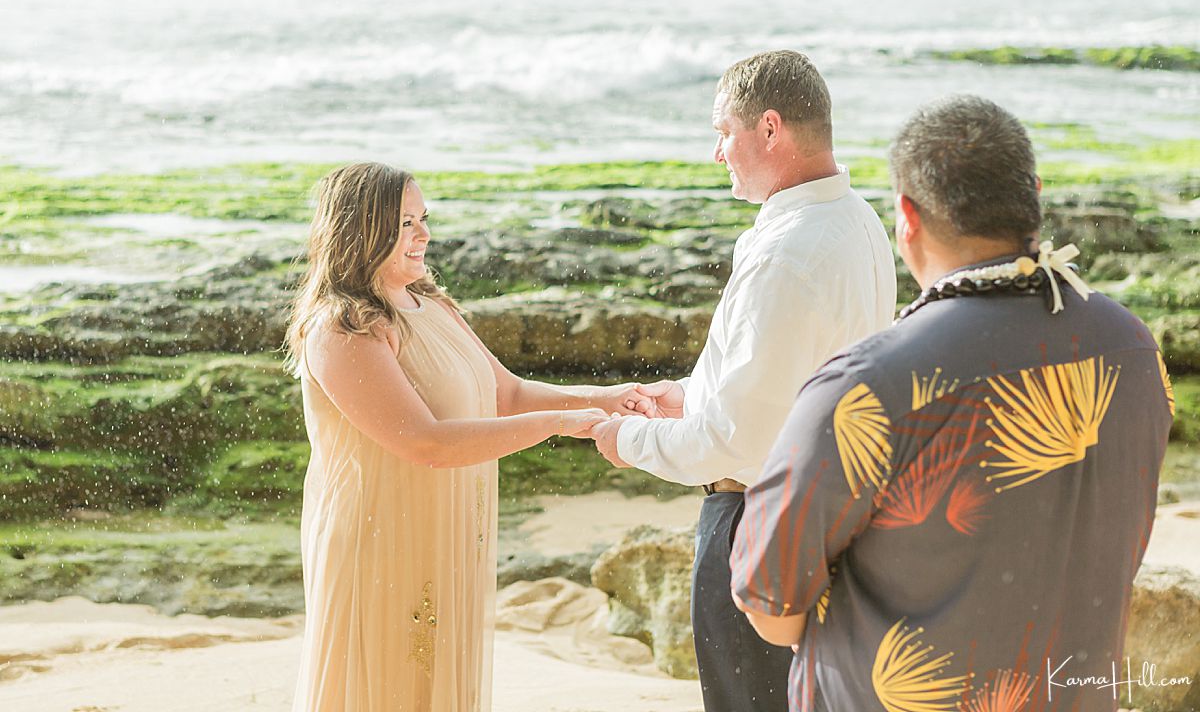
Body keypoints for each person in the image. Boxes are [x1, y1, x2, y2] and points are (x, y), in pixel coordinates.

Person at [731, 95, 1174, 711]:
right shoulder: (1131, 349)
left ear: (906, 216)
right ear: (1035, 196)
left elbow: (770, 607)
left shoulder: (867, 389)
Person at [592, 50, 897, 711]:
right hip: (832, 516)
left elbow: (738, 442)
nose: (716, 152)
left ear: (768, 128)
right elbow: (795, 380)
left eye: (721, 131)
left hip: (757, 525)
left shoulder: (788, 255)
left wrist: (628, 440)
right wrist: (690, 396)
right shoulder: (858, 222)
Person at [283, 162, 648, 711]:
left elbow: (508, 394)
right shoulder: (342, 327)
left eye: (422, 219)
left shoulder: (430, 303)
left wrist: (605, 399)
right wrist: (557, 425)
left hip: (448, 532)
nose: (423, 235)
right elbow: (425, 444)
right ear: (362, 227)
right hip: (379, 540)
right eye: (405, 223)